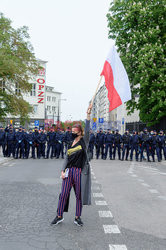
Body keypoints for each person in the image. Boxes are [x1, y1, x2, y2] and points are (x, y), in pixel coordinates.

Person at [51, 104, 92, 226]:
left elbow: (88, 128)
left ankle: (77, 217)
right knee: (63, 194)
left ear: (80, 132)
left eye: (75, 132)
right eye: (72, 131)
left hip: (79, 172)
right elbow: (66, 158)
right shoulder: (70, 142)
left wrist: (88, 115)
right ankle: (59, 216)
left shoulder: (84, 141)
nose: (73, 133)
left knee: (78, 196)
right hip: (69, 172)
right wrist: (62, 170)